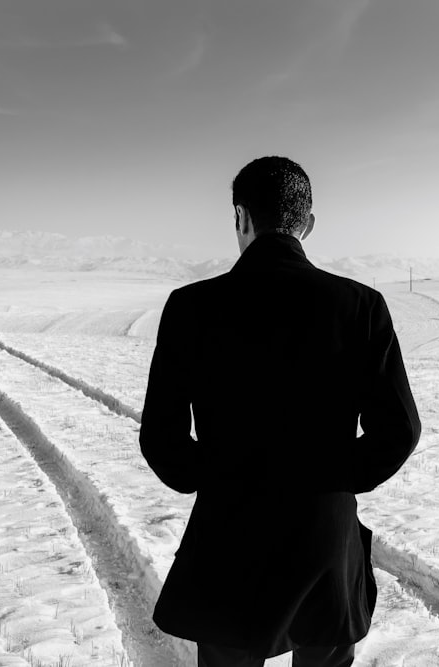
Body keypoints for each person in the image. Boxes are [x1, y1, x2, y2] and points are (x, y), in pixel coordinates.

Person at [139, 156, 420, 666]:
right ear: (307, 224)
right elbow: (399, 430)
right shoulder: (360, 305)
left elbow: (162, 438)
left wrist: (219, 475)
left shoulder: (191, 306)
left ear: (241, 218)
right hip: (325, 543)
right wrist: (330, 477)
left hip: (228, 539)